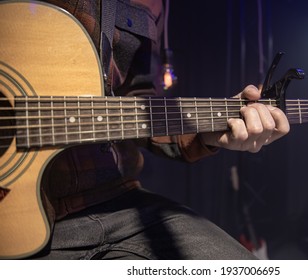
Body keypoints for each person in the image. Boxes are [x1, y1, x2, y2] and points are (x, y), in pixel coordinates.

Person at [29, 0, 290, 259]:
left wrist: (209, 133)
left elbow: (139, 105)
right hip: (25, 214)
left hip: (119, 203)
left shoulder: (154, 3)